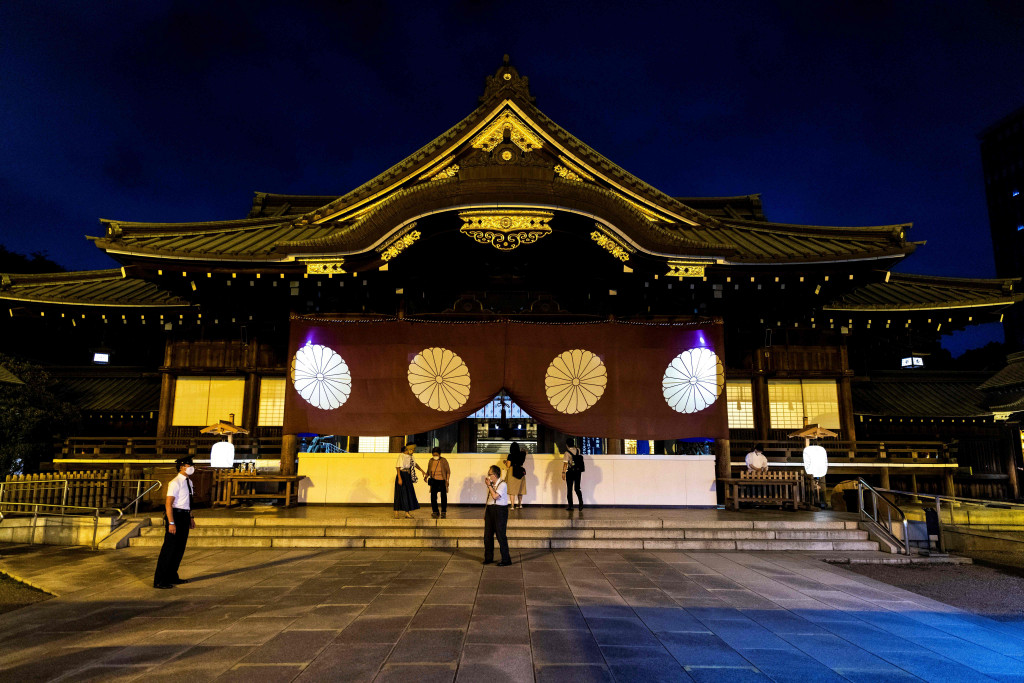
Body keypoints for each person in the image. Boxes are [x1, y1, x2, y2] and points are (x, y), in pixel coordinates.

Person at [153, 456, 196, 589]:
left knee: (179, 548)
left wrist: (191, 517)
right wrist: (171, 522)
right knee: (169, 549)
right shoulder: (175, 482)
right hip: (175, 515)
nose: (191, 467)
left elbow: (188, 501)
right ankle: (160, 580)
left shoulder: (189, 482)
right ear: (182, 467)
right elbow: (168, 504)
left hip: (184, 515)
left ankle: (172, 575)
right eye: (189, 465)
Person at [483, 465, 512, 566]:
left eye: (490, 474)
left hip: (500, 511)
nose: (489, 476)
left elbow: (495, 496)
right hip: (490, 510)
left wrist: (489, 486)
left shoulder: (502, 484)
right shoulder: (492, 484)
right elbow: (489, 499)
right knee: (487, 536)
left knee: (500, 535)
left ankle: (506, 559)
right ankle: (488, 558)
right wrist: (485, 513)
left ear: (495, 475)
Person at [394, 443, 427, 519]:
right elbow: (398, 467)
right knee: (399, 493)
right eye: (412, 449)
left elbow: (415, 464)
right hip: (402, 475)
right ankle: (396, 512)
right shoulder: (401, 456)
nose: (413, 451)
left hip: (408, 476)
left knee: (408, 493)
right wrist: (399, 478)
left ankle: (407, 512)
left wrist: (422, 470)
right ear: (408, 449)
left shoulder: (411, 457)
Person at [426, 446, 451, 518]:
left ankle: (443, 511)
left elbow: (448, 471)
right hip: (434, 480)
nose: (435, 456)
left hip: (442, 480)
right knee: (433, 496)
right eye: (434, 455)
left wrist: (447, 480)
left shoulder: (443, 460)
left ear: (440, 454)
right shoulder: (431, 460)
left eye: (436, 455)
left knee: (443, 496)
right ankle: (435, 511)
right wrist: (426, 476)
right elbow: (428, 470)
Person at [562, 437, 585, 511]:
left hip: (570, 472)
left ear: (567, 445)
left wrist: (563, 472)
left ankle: (571, 506)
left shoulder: (567, 453)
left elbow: (565, 464)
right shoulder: (578, 450)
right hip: (578, 472)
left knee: (569, 489)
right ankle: (581, 502)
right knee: (577, 488)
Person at [503, 441, 527, 510]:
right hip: (520, 471)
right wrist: (523, 451)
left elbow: (508, 465)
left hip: (512, 472)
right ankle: (519, 504)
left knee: (512, 489)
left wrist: (505, 462)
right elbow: (525, 451)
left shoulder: (510, 455)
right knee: (520, 489)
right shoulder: (522, 454)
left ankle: (512, 505)